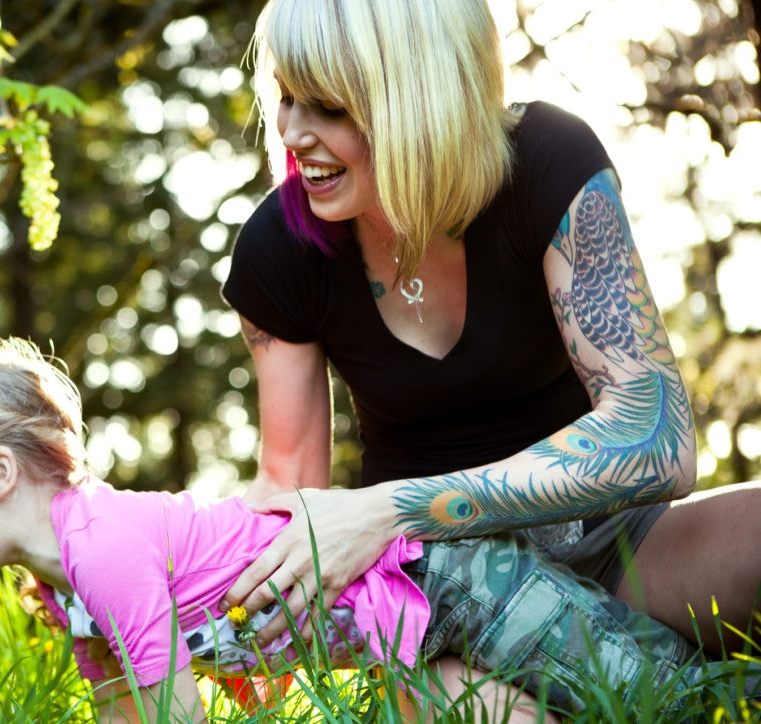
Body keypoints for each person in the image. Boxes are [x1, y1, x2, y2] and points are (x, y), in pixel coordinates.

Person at [0, 335, 743, 724]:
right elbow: (125, 721)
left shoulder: (104, 546)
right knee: (620, 718)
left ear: (0, 471)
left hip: (451, 580)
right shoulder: (61, 587)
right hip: (418, 625)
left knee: (666, 700)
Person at [220, 0, 761, 662]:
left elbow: (655, 437)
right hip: (440, 594)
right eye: (286, 97)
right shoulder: (278, 248)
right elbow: (286, 490)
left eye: (328, 106)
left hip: (619, 544)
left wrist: (396, 508)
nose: (293, 132)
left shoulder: (546, 157)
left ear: (421, 94)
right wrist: (139, 578)